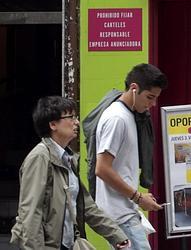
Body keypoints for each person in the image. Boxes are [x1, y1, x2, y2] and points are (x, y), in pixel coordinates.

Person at [10, 96, 130, 250]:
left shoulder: (67, 158)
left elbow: (87, 207)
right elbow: (31, 212)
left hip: (68, 244)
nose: (77, 122)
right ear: (53, 124)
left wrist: (116, 236)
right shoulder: (40, 158)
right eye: (71, 117)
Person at [95, 63, 168, 250]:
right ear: (134, 88)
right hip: (121, 215)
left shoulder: (128, 115)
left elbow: (120, 167)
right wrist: (137, 197)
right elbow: (102, 169)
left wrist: (138, 197)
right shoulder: (117, 118)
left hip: (125, 212)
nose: (152, 104)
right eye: (150, 97)